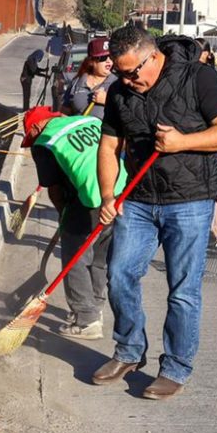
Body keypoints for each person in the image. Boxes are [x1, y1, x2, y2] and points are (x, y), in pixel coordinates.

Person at [92, 26, 217, 400]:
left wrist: (182, 142)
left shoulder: (198, 77)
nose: (128, 80)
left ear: (153, 55)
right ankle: (129, 351)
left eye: (133, 72)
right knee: (119, 274)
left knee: (183, 290)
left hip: (190, 201)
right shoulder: (119, 92)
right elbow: (109, 147)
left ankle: (175, 366)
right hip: (139, 199)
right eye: (120, 74)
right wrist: (108, 196)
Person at [22, 107, 126, 339]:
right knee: (99, 256)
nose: (33, 142)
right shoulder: (87, 120)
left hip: (91, 198)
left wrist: (64, 218)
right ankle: (95, 307)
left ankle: (87, 320)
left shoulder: (45, 141)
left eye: (31, 137)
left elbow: (55, 189)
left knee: (75, 258)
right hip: (121, 190)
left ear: (37, 127)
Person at [195, 39, 217, 247]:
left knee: (212, 186)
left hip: (212, 138)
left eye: (201, 51)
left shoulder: (214, 76)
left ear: (208, 54)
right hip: (196, 139)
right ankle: (209, 229)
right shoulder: (187, 74)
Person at [61, 37, 116, 117]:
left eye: (111, 57)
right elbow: (65, 113)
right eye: (103, 58)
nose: (109, 61)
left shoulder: (118, 84)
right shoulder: (77, 82)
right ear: (91, 61)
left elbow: (130, 116)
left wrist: (108, 101)